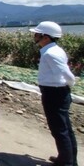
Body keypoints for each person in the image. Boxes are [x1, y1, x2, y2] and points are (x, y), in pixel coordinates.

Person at [29, 21, 78, 166]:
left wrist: (68, 85)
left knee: (60, 129)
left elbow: (67, 74)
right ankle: (67, 158)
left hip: (54, 93)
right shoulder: (53, 50)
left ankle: (67, 162)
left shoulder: (50, 54)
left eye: (37, 34)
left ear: (46, 37)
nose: (35, 36)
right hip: (56, 92)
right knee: (64, 128)